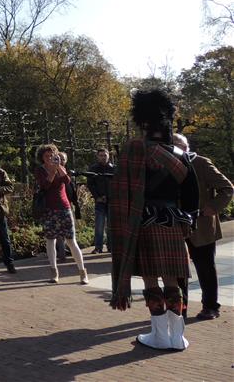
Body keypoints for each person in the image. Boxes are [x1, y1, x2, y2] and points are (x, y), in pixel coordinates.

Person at [110, 89, 199, 351]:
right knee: (173, 282)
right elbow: (192, 198)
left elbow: (119, 191)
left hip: (144, 224)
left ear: (144, 123)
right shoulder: (181, 155)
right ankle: (176, 338)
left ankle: (158, 336)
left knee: (150, 280)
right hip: (172, 225)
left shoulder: (134, 149)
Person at [173, 133, 232, 320]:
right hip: (176, 226)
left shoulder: (200, 163)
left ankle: (211, 306)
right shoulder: (166, 166)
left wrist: (213, 207)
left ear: (187, 147)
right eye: (172, 145)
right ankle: (179, 308)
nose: (176, 149)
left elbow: (227, 188)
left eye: (180, 145)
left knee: (205, 268)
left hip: (202, 225)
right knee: (178, 271)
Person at [34, 144, 88, 285]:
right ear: (42, 158)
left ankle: (82, 272)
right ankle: (54, 271)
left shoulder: (60, 167)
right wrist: (51, 171)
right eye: (46, 156)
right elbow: (45, 186)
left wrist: (58, 167)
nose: (50, 158)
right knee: (50, 240)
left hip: (64, 208)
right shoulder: (40, 170)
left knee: (71, 241)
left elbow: (67, 181)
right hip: (49, 210)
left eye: (52, 155)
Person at [86, 148, 114, 254]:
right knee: (99, 225)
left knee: (111, 225)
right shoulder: (93, 169)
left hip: (112, 200)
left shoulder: (113, 168)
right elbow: (90, 184)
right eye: (101, 155)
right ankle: (98, 247)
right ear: (97, 156)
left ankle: (111, 246)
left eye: (105, 155)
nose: (103, 157)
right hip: (100, 201)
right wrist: (97, 196)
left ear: (108, 156)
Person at [55, 152, 80, 262]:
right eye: (59, 158)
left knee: (70, 232)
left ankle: (69, 251)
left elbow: (71, 189)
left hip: (68, 204)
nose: (61, 160)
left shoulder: (68, 173)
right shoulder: (54, 172)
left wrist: (75, 202)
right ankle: (61, 254)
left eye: (63, 159)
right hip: (58, 205)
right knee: (59, 233)